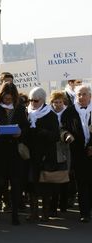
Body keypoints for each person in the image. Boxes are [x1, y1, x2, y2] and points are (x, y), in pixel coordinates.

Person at [0, 82, 29, 225]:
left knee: (16, 182)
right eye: (5, 98)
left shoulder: (20, 107)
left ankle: (15, 214)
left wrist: (20, 133)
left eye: (10, 99)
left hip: (15, 151)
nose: (7, 101)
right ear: (1, 96)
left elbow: (25, 126)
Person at [25, 87, 60, 222]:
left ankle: (45, 213)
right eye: (30, 100)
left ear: (43, 100)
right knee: (31, 184)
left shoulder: (50, 114)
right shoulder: (26, 112)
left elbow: (56, 136)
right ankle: (33, 212)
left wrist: (44, 133)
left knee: (46, 185)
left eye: (35, 100)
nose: (32, 102)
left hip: (45, 155)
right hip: (30, 155)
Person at [61, 84, 92, 223]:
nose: (81, 97)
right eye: (79, 94)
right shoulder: (69, 112)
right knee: (82, 183)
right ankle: (84, 213)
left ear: (90, 96)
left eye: (84, 94)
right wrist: (66, 135)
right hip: (78, 153)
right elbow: (62, 128)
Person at [49, 91, 74, 214]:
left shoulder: (68, 112)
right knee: (54, 178)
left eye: (60, 102)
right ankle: (53, 206)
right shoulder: (48, 113)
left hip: (66, 147)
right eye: (55, 102)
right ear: (52, 102)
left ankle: (63, 203)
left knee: (66, 175)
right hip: (53, 147)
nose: (57, 104)